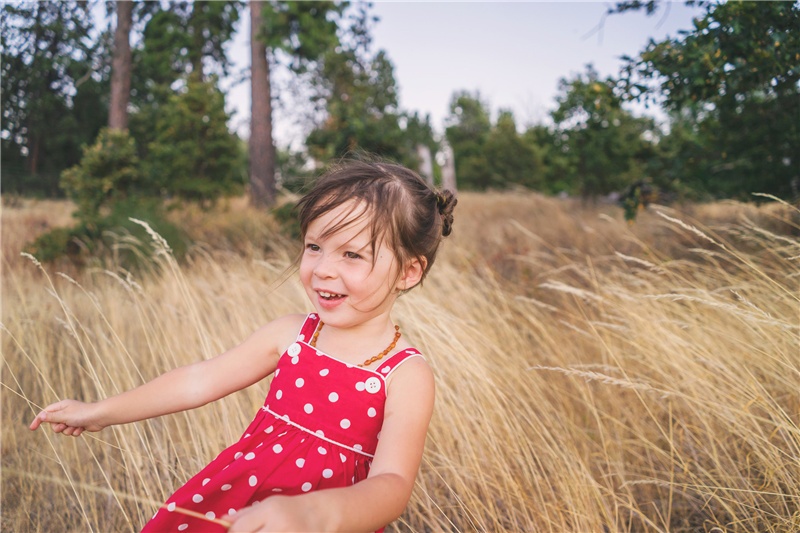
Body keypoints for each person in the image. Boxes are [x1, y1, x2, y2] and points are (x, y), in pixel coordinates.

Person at [29, 160, 457, 533]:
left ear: (408, 272)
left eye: (352, 255)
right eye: (314, 247)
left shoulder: (404, 374)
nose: (323, 269)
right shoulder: (292, 335)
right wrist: (101, 412)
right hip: (237, 505)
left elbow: (393, 485)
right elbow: (198, 381)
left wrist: (316, 516)